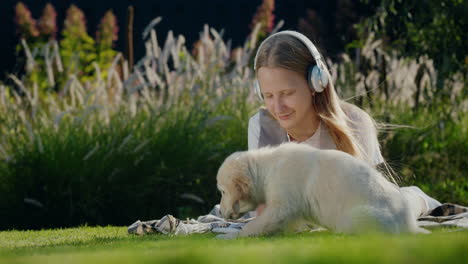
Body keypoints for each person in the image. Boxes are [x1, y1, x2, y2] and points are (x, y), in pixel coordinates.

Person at [248, 30, 441, 219]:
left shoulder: (355, 122)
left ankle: (417, 199)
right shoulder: (261, 126)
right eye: (268, 96)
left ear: (315, 83)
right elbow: (264, 207)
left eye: (287, 93)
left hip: (366, 202)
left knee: (391, 210)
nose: (278, 107)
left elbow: (363, 202)